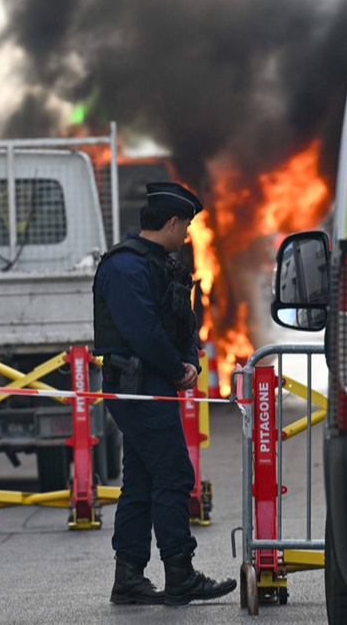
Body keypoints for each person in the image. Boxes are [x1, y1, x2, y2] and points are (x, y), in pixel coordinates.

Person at [93, 181, 237, 607]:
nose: (188, 235)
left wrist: (190, 361)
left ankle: (129, 578)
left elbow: (184, 321)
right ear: (172, 223)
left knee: (141, 480)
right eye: (186, 226)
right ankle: (180, 574)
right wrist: (177, 369)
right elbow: (143, 332)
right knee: (174, 475)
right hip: (136, 387)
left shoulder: (162, 264)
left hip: (154, 384)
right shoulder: (124, 267)